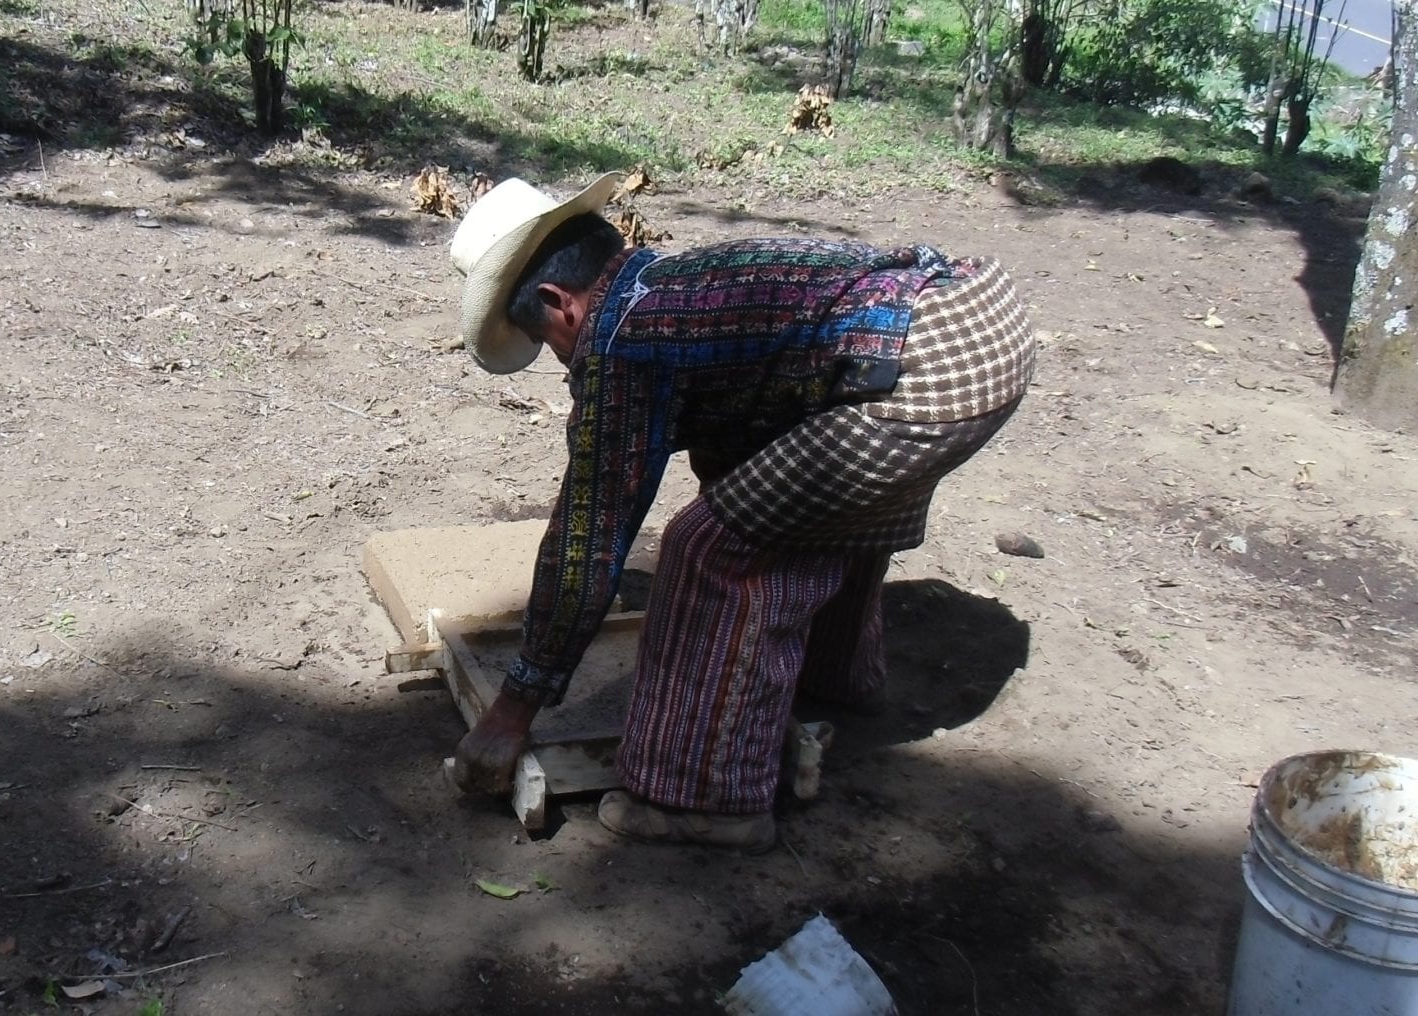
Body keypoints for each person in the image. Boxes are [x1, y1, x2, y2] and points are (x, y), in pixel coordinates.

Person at [443, 174, 1036, 852]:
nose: (560, 360)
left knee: (711, 549)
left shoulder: (623, 340)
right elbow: (745, 432)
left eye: (547, 343)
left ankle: (706, 797)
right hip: (979, 314)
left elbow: (591, 535)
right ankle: (833, 676)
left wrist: (515, 706)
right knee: (787, 502)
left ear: (560, 304)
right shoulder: (668, 286)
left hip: (934, 365)